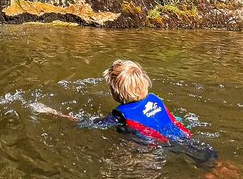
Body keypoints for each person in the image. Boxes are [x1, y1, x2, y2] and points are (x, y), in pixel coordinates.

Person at [84, 58, 218, 165]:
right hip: (183, 134)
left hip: (159, 144)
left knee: (127, 157)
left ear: (115, 92)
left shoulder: (118, 115)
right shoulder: (154, 100)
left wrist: (76, 120)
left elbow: (96, 124)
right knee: (198, 152)